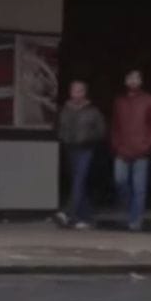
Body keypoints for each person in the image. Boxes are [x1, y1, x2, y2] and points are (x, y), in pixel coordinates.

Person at [111, 69, 151, 231]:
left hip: (141, 151)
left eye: (136, 78)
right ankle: (126, 213)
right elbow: (114, 125)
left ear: (141, 81)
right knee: (120, 181)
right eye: (130, 78)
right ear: (126, 81)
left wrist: (150, 143)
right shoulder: (120, 101)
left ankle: (135, 220)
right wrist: (116, 144)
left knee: (139, 188)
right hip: (122, 150)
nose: (133, 81)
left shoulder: (150, 100)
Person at [55, 80, 107, 230]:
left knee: (79, 180)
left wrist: (89, 138)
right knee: (78, 183)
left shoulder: (93, 111)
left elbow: (101, 130)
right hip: (70, 149)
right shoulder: (65, 109)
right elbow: (58, 126)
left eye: (80, 91)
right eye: (74, 90)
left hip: (86, 150)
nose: (77, 94)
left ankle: (67, 213)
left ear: (85, 93)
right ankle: (87, 218)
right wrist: (63, 137)